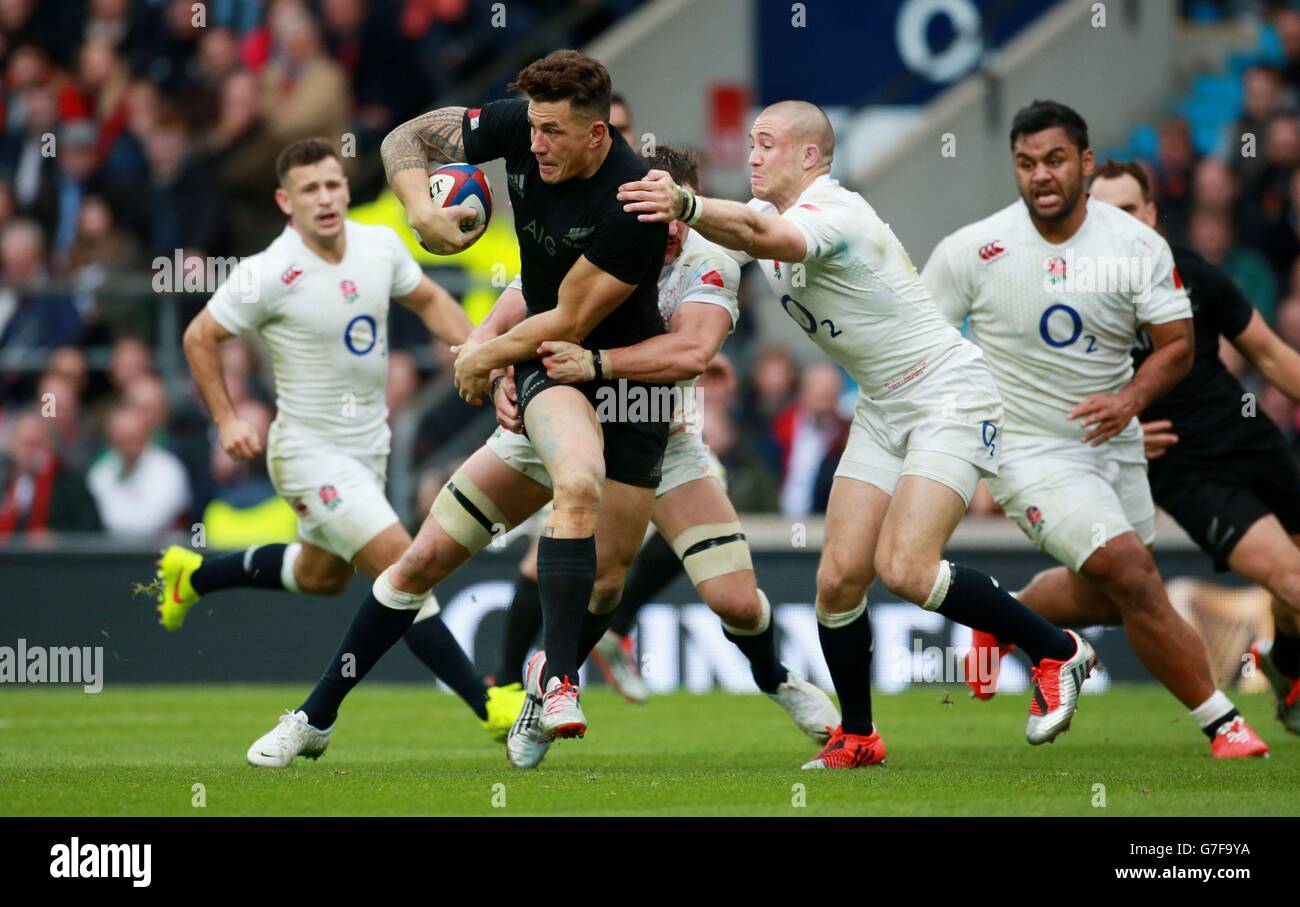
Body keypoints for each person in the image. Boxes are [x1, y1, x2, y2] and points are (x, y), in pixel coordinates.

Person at [619, 99, 1095, 770]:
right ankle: (861, 736)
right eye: (750, 144)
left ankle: (1058, 650)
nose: (752, 156)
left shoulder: (835, 212)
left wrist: (689, 206)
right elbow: (716, 238)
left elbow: (773, 243)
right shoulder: (762, 216)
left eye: (767, 144)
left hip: (948, 394)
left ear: (810, 156)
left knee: (905, 568)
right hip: (882, 405)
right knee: (839, 578)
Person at [245, 50, 670, 767]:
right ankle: (316, 715)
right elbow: (404, 140)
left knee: (607, 576)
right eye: (531, 129)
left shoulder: (632, 201)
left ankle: (540, 691)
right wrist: (423, 214)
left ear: (597, 136)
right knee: (430, 557)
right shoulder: (521, 129)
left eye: (554, 134)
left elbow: (568, 315)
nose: (534, 146)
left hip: (626, 389)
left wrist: (484, 352)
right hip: (553, 375)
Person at [153, 137, 521, 758]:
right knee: (405, 566)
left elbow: (429, 298)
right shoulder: (268, 272)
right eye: (308, 190)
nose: (323, 199)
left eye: (331, 185)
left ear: (345, 189)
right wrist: (226, 418)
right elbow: (198, 337)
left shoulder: (377, 247)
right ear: (284, 201)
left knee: (321, 576)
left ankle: (194, 574)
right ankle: (486, 703)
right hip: (305, 454)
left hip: (366, 450)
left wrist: (479, 352)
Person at [923, 102, 1267, 759]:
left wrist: (1130, 399)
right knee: (1132, 571)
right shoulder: (974, 250)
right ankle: (1223, 724)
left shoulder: (1135, 244)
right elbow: (917, 340)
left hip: (1113, 441)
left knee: (1119, 598)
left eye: (1054, 160)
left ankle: (1009, 612)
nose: (1040, 176)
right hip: (1026, 448)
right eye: (1025, 164)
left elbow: (1178, 342)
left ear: (1084, 163)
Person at [486, 146, 839, 767]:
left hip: (662, 433)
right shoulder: (594, 238)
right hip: (574, 426)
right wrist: (494, 375)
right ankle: (541, 687)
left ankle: (775, 679)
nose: (668, 225)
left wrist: (596, 362)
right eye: (653, 206)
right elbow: (500, 323)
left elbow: (689, 355)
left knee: (733, 600)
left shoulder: (711, 260)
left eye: (676, 208)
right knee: (438, 549)